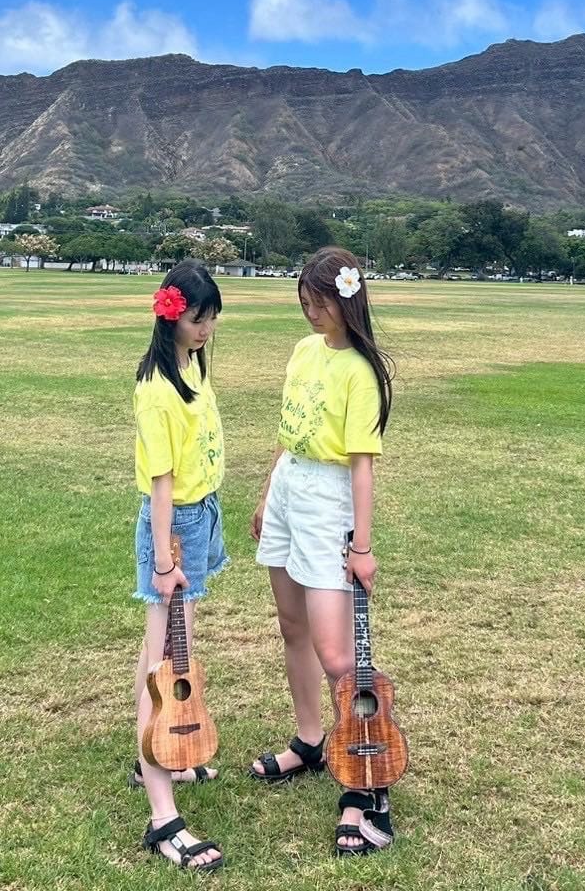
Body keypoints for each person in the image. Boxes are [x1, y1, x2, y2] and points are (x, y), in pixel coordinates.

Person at [249, 246, 397, 856]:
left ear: (347, 301)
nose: (311, 314)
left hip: (330, 499)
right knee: (293, 628)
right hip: (291, 486)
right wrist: (267, 496)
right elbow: (288, 435)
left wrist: (361, 546)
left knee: (338, 655)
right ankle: (311, 741)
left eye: (320, 304)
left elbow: (362, 467)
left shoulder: (360, 372)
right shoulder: (304, 351)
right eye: (305, 303)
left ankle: (367, 784)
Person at [132, 260, 227, 873]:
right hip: (176, 525)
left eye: (213, 318)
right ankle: (162, 817)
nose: (207, 328)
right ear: (171, 316)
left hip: (202, 513)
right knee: (164, 663)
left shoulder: (190, 365)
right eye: (198, 318)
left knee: (161, 653)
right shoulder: (156, 389)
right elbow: (161, 482)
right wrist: (166, 560)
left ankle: (164, 758)